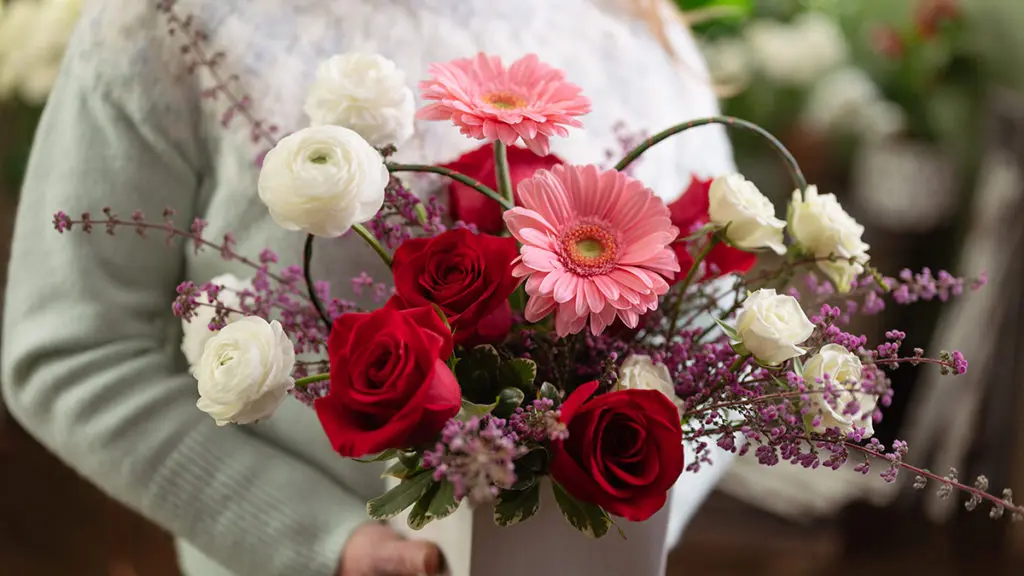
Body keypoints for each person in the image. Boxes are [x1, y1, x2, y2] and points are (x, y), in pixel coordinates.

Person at [0, 1, 737, 574]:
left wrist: (616, 534)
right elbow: (74, 351)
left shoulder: (636, 27)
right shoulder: (173, 24)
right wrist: (324, 544)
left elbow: (721, 334)